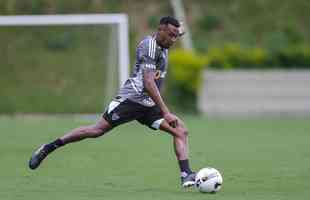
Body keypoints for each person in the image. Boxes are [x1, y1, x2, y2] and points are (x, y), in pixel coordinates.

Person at [28, 16, 196, 187]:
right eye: (171, 35)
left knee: (181, 131)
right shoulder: (149, 47)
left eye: (176, 36)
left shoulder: (167, 39)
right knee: (95, 130)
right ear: (160, 30)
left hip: (149, 105)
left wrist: (179, 28)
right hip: (131, 100)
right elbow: (148, 83)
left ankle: (186, 175)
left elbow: (179, 29)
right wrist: (166, 112)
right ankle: (48, 147)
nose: (174, 39)